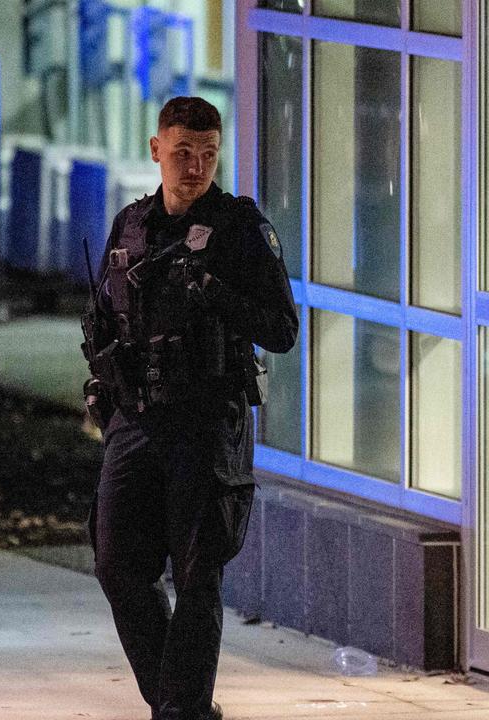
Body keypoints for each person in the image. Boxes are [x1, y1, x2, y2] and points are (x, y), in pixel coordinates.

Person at [80, 96, 298, 720]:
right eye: (182, 153)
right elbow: (102, 317)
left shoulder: (238, 229)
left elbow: (282, 328)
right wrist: (101, 388)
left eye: (208, 154)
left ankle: (182, 712)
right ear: (156, 151)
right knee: (117, 566)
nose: (195, 166)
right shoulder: (130, 225)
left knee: (198, 577)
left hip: (206, 424)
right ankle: (178, 704)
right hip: (135, 420)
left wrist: (216, 292)